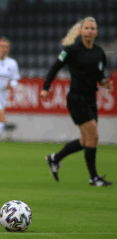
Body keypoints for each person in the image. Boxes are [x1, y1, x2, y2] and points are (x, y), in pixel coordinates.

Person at [40, 16, 113, 187]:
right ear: (80, 31)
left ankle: (54, 158)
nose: (90, 31)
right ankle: (93, 178)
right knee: (93, 135)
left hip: (90, 99)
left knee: (86, 140)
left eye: (93, 28)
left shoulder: (99, 53)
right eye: (87, 28)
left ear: (96, 32)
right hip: (76, 99)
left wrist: (104, 83)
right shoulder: (71, 50)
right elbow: (55, 67)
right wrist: (46, 87)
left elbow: (100, 76)